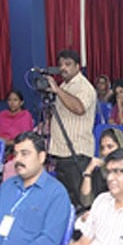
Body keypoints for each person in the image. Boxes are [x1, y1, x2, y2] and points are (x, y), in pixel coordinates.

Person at [45, 50, 97, 208]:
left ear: (77, 66)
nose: (63, 68)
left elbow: (79, 108)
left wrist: (58, 91)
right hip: (62, 152)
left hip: (77, 152)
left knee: (79, 199)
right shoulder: (64, 85)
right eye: (60, 64)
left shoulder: (84, 87)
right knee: (66, 200)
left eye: (67, 64)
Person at [80, 128, 123, 208]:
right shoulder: (101, 170)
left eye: (110, 147)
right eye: (102, 148)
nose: (105, 152)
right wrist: (88, 172)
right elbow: (86, 202)